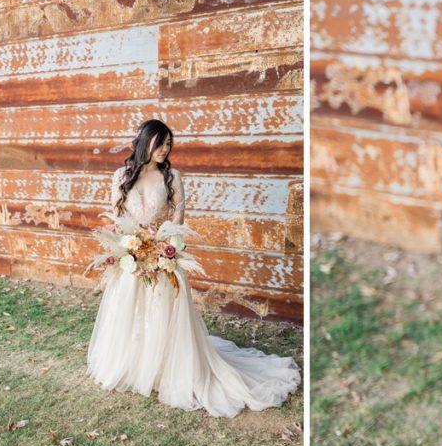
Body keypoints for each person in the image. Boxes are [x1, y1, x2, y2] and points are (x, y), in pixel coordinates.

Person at [86, 119, 300, 418]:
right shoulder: (121, 175)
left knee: (163, 310)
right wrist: (127, 247)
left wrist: (167, 251)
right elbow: (117, 216)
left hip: (162, 255)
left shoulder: (172, 177)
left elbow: (178, 218)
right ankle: (135, 364)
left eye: (169, 145)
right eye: (160, 144)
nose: (165, 150)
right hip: (132, 256)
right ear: (146, 142)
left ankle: (165, 368)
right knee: (131, 309)